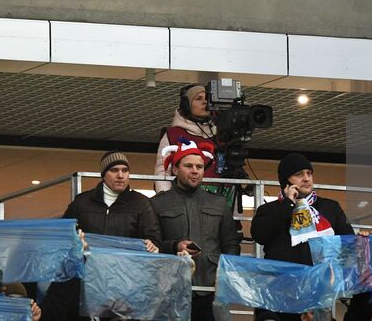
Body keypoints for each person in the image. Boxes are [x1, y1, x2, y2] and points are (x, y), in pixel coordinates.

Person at [250, 153, 370, 321]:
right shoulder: (270, 209)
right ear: (286, 181)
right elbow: (260, 236)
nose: (306, 179)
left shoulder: (330, 207)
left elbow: (346, 244)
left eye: (309, 173)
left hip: (318, 291)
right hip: (281, 293)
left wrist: (361, 242)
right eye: (299, 174)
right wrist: (288, 205)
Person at [47, 153, 159, 321]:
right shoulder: (82, 202)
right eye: (114, 170)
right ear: (104, 174)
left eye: (125, 170)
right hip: (86, 283)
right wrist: (76, 242)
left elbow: (153, 239)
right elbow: (65, 236)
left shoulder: (141, 204)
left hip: (124, 285)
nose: (121, 175)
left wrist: (153, 245)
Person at [151, 140, 240, 321]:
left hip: (210, 291)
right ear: (175, 170)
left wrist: (226, 274)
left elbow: (231, 243)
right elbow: (151, 244)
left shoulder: (219, 203)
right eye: (188, 166)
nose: (195, 170)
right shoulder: (157, 203)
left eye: (199, 166)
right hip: (170, 290)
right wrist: (174, 246)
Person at [153, 84, 221, 194]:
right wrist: (166, 199)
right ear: (186, 105)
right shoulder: (173, 134)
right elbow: (163, 171)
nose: (205, 102)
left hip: (218, 201)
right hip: (180, 201)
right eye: (198, 99)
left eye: (207, 99)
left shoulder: (223, 135)